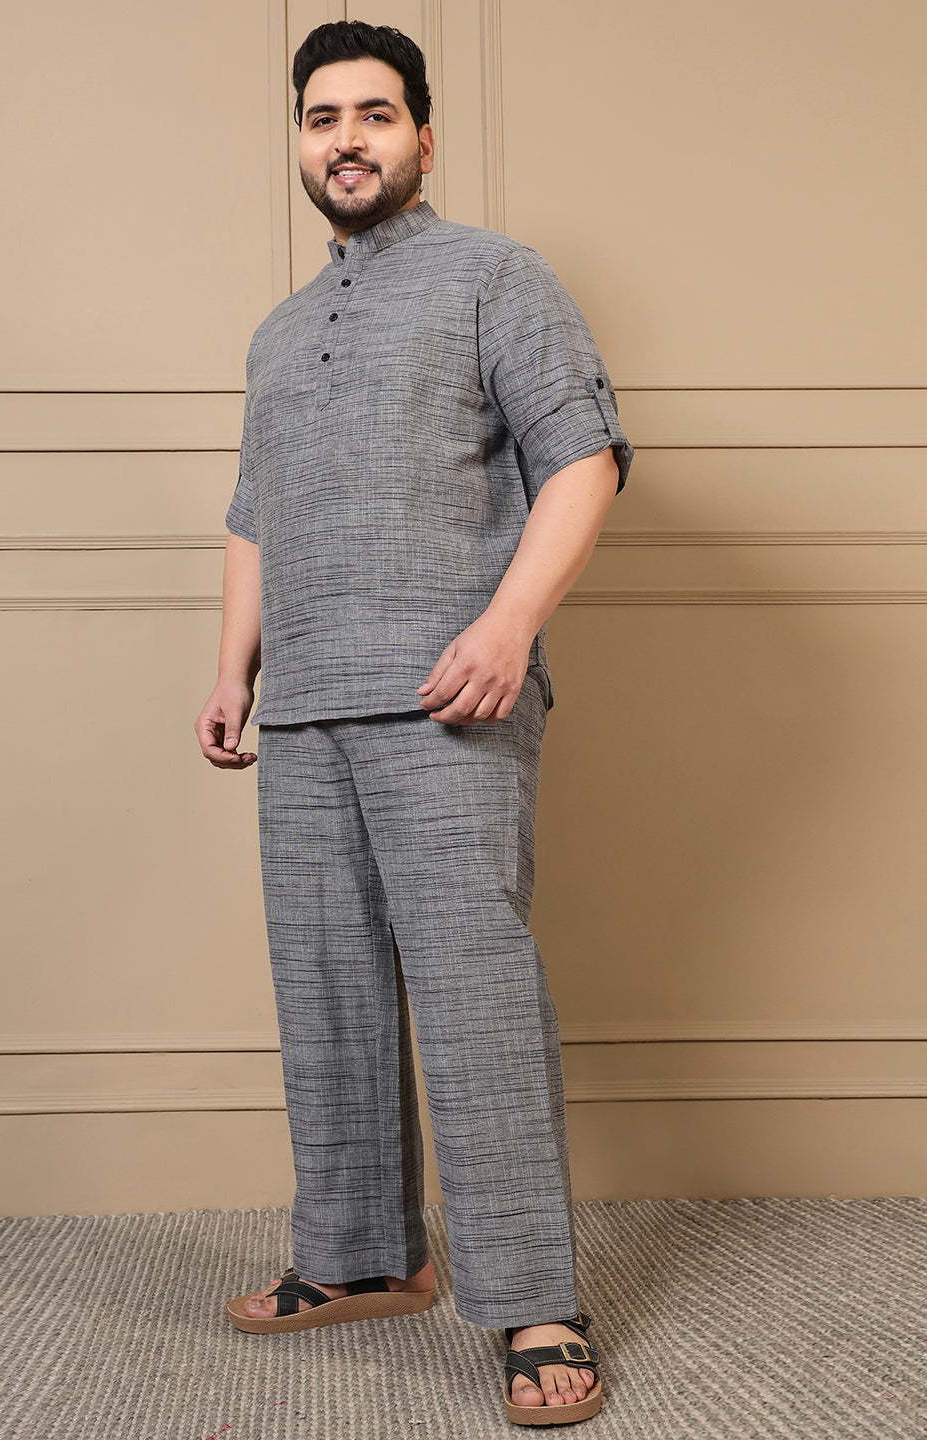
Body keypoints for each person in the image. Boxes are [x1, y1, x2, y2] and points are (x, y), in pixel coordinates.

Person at [194, 20, 633, 1426]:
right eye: (322, 116)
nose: (346, 139)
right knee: (323, 989)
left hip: (450, 689)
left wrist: (507, 628)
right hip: (304, 708)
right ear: (300, 141)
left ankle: (536, 1302)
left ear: (424, 137)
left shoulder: (499, 276)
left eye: (374, 114)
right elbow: (255, 515)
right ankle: (363, 1256)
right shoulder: (277, 332)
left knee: (474, 993)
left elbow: (584, 458)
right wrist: (234, 671)